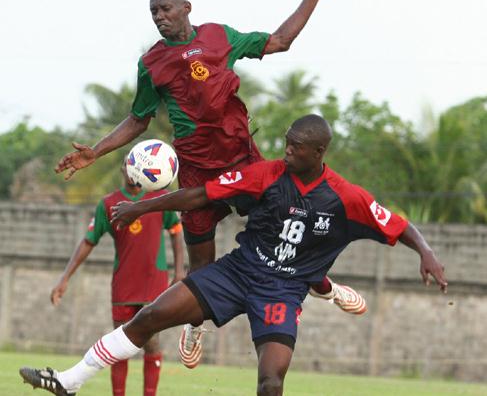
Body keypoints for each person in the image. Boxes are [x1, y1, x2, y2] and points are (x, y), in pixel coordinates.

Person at [54, 0, 365, 368]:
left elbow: (279, 41)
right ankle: (195, 324)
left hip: (242, 162)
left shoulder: (219, 37)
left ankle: (323, 286)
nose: (159, 17)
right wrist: (96, 150)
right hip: (197, 172)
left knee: (287, 232)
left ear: (186, 8)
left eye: (165, 8)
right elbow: (138, 119)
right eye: (153, 12)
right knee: (203, 265)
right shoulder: (152, 64)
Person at [20, 114, 448, 396]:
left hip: (283, 291)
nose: (287, 150)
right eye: (286, 142)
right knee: (150, 316)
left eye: (297, 147)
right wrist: (143, 205)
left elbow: (398, 224)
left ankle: (326, 287)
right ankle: (70, 381)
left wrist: (425, 252)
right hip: (238, 272)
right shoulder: (266, 175)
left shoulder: (345, 197)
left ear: (319, 153)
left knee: (270, 382)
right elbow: (199, 195)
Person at [49, 157, 185, 396]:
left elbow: (176, 231)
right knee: (119, 345)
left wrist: (180, 270)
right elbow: (88, 241)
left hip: (154, 282)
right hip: (123, 286)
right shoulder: (109, 203)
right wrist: (64, 278)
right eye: (128, 164)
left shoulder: (158, 198)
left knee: (152, 343)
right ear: (123, 169)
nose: (133, 170)